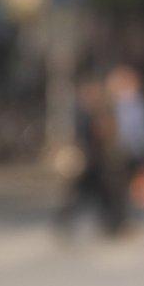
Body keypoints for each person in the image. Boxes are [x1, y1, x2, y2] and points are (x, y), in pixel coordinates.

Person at [53, 77, 131, 239]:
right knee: (81, 196)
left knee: (109, 197)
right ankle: (65, 224)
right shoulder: (83, 114)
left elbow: (111, 137)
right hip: (90, 164)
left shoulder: (103, 110)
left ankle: (114, 226)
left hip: (103, 165)